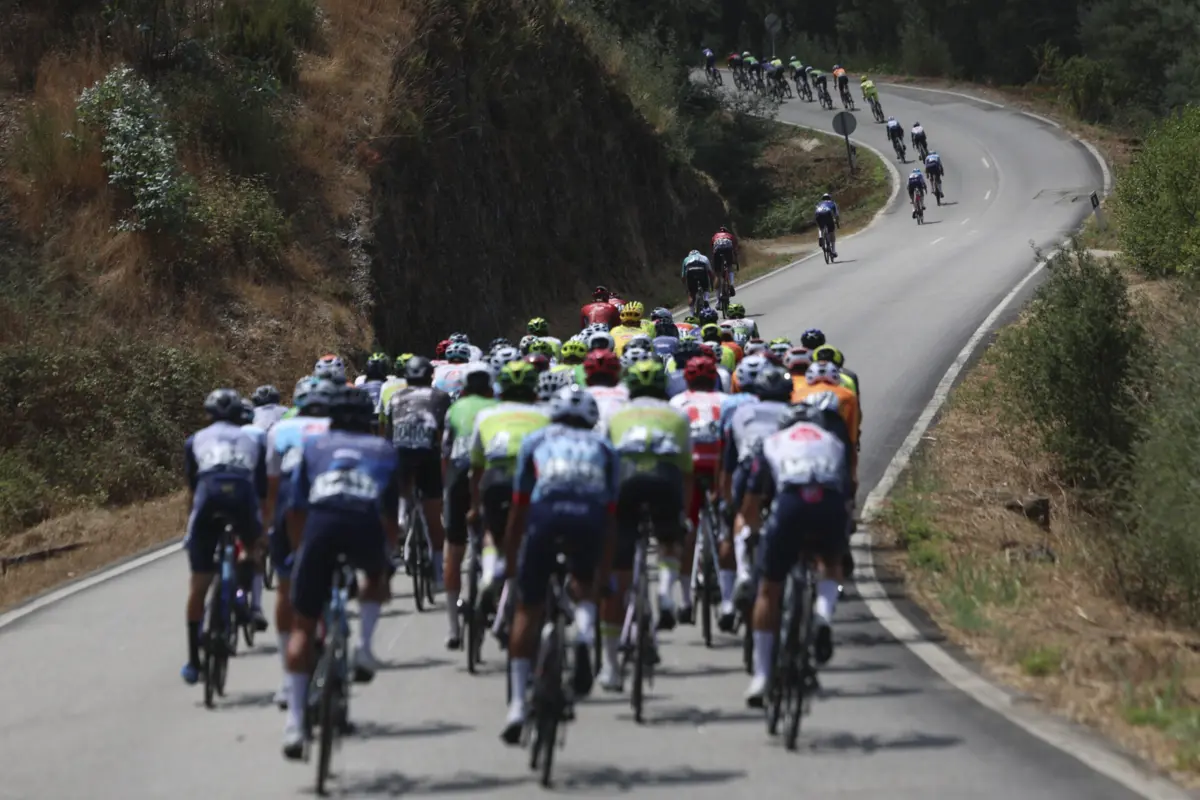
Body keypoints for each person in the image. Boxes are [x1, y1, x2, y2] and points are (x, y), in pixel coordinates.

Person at [282, 385, 398, 758]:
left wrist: (302, 552)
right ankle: (364, 647)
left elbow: (295, 509)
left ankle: (295, 724)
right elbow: (389, 516)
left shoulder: (312, 447)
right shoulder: (382, 450)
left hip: (319, 527)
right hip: (363, 523)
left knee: (302, 627)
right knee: (375, 579)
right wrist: (385, 560)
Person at [501, 386, 617, 742]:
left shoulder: (535, 440)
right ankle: (583, 637)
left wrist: (510, 558)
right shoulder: (603, 447)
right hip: (588, 516)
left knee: (527, 608)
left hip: (546, 516)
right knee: (584, 583)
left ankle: (517, 706)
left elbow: (520, 505)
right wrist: (604, 572)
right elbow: (612, 517)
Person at [741, 401, 852, 705]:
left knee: (769, 589)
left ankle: (762, 677)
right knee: (830, 563)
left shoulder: (773, 442)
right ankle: (822, 616)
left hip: (790, 505)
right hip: (828, 505)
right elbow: (845, 491)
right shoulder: (833, 442)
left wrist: (749, 531)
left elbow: (753, 497)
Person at [598, 360, 693, 691]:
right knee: (669, 539)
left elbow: (604, 460)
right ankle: (666, 594)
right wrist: (682, 512)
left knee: (616, 576)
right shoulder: (678, 415)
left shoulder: (615, 415)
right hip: (665, 481)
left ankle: (610, 667)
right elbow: (686, 471)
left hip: (625, 484)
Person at [181, 389, 267, 686]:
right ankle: (242, 593)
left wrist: (190, 529)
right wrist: (259, 534)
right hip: (241, 497)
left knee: (198, 584)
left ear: (208, 415)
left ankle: (193, 660)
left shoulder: (194, 440)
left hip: (208, 499)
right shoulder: (255, 438)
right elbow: (260, 489)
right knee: (253, 548)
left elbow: (193, 490)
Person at [262, 377, 330, 709]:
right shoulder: (334, 426)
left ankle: (289, 679)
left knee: (286, 592)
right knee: (329, 584)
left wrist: (266, 526)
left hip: (287, 511)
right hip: (328, 509)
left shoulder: (279, 430)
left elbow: (272, 487)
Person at [467, 361, 549, 613]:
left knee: (492, 529)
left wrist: (475, 506)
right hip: (530, 479)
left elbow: (476, 465)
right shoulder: (545, 415)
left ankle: (490, 573)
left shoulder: (486, 415)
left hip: (496, 477)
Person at [723, 366, 793, 626]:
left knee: (743, 515)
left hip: (749, 466)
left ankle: (742, 572)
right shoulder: (793, 412)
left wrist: (726, 499)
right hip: (781, 468)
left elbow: (729, 460)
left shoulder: (742, 412)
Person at [440, 363, 498, 649]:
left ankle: (452, 628)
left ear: (463, 389)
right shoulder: (496, 408)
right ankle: (490, 578)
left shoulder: (454, 409)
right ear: (490, 389)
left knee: (453, 548)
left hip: (456, 474)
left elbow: (445, 451)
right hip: (488, 474)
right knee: (493, 532)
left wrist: (445, 486)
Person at [385, 356, 453, 590]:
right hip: (429, 455)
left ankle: (402, 516)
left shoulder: (395, 398)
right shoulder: (441, 397)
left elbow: (388, 433)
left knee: (402, 492)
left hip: (400, 454)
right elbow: (445, 433)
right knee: (434, 516)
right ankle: (437, 573)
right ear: (430, 377)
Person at [668, 355, 726, 628]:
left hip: (688, 466)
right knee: (729, 525)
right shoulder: (726, 402)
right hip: (718, 466)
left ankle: (685, 602)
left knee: (686, 529)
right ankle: (728, 597)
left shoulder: (677, 402)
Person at [711, 226, 739, 298]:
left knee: (717, 274)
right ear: (726, 231)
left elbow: (713, 248)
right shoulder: (730, 235)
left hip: (717, 252)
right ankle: (732, 284)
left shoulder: (715, 236)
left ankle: (717, 298)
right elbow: (735, 249)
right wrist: (736, 260)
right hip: (727, 250)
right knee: (729, 267)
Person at [815, 193, 840, 258]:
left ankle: (820, 236)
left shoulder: (819, 203)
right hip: (827, 214)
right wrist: (837, 222)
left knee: (820, 227)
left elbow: (816, 211)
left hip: (818, 214)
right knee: (832, 232)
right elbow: (836, 214)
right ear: (830, 198)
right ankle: (833, 251)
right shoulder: (832, 203)